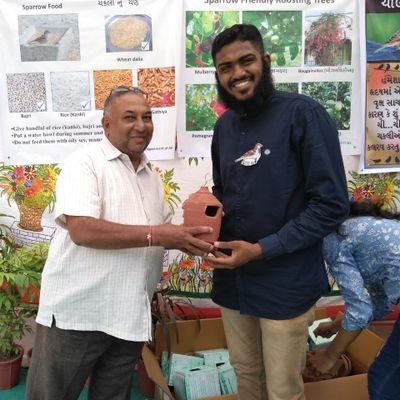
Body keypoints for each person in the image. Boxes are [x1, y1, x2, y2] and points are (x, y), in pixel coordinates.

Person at [25, 86, 213, 400]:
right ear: (106, 124)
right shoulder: (84, 163)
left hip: (127, 316)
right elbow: (82, 230)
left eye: (147, 117)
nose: (141, 125)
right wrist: (159, 235)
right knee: (51, 395)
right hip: (79, 314)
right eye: (129, 117)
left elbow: (161, 232)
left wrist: (190, 240)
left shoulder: (150, 176)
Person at [203, 24, 349, 400]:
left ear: (265, 61)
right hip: (235, 285)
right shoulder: (224, 126)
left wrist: (262, 249)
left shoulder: (304, 115)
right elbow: (224, 194)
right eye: (225, 67)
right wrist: (204, 224)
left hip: (286, 284)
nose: (237, 74)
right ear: (217, 75)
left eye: (246, 61)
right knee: (247, 377)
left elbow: (330, 205)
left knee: (283, 389)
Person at [306, 190, 400, 400]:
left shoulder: (334, 238)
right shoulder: (362, 225)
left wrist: (329, 356)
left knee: (384, 383)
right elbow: (378, 305)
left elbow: (361, 311)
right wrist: (338, 323)